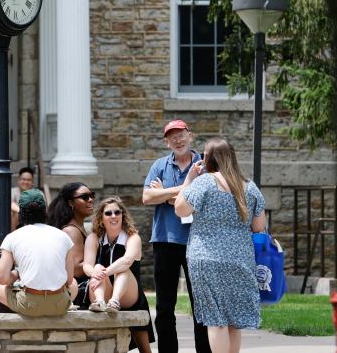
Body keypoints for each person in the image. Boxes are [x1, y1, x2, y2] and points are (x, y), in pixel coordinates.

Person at [175, 138, 266, 353]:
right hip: (240, 260)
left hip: (206, 258)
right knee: (235, 319)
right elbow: (259, 225)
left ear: (208, 159)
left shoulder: (204, 182)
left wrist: (189, 179)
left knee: (216, 320)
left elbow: (180, 209)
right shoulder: (249, 187)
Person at [142, 119, 210, 353]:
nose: (178, 140)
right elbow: (147, 198)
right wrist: (184, 191)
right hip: (165, 241)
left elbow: (208, 200)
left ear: (190, 135)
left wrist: (165, 195)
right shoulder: (159, 165)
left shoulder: (206, 165)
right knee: (164, 308)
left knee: (200, 305)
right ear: (166, 142)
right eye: (172, 137)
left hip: (198, 242)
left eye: (181, 134)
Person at [0, 189, 77, 316]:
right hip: (59, 305)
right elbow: (69, 279)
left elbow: (1, 279)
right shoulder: (63, 236)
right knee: (75, 284)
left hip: (29, 305)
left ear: (21, 212)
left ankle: (14, 305)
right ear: (45, 211)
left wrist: (17, 274)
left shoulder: (12, 237)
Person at [84, 196, 155, 353]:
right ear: (101, 218)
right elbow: (87, 266)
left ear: (123, 215)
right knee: (96, 266)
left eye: (117, 212)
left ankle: (114, 302)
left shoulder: (132, 237)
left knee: (122, 269)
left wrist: (104, 272)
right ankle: (101, 303)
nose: (114, 216)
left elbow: (128, 260)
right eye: (108, 213)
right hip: (101, 290)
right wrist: (96, 272)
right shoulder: (94, 238)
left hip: (129, 294)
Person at [46, 182, 95, 309]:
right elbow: (76, 269)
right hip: (78, 293)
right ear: (70, 203)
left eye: (91, 195)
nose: (90, 200)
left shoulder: (78, 228)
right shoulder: (71, 231)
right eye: (84, 197)